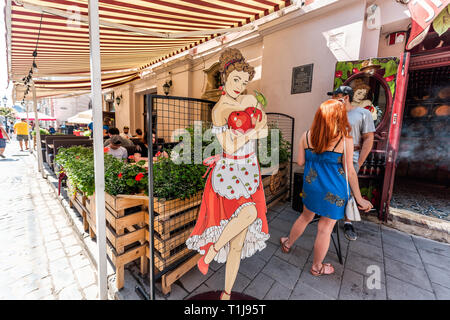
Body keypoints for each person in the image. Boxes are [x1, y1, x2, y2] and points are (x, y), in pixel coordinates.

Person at [185, 48, 269, 300]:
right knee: (250, 212)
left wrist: (252, 131)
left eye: (244, 82)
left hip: (250, 169)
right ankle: (211, 252)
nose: (240, 86)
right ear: (225, 77)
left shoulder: (250, 100)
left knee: (238, 243)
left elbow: (265, 131)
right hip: (230, 173)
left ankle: (227, 293)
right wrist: (253, 131)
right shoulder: (219, 109)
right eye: (236, 80)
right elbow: (229, 146)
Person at [280, 99, 373, 276]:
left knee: (305, 217)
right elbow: (350, 172)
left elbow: (300, 162)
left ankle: (287, 243)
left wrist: (316, 159)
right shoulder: (345, 139)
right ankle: (316, 267)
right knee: (324, 229)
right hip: (334, 190)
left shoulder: (306, 135)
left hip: (311, 187)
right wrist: (359, 199)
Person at [328, 86, 375, 241]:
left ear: (346, 97)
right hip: (332, 156)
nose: (334, 99)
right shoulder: (332, 113)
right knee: (332, 187)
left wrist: (360, 160)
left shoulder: (363, 113)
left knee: (348, 190)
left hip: (352, 156)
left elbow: (368, 138)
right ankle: (330, 218)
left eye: (336, 96)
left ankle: (348, 222)